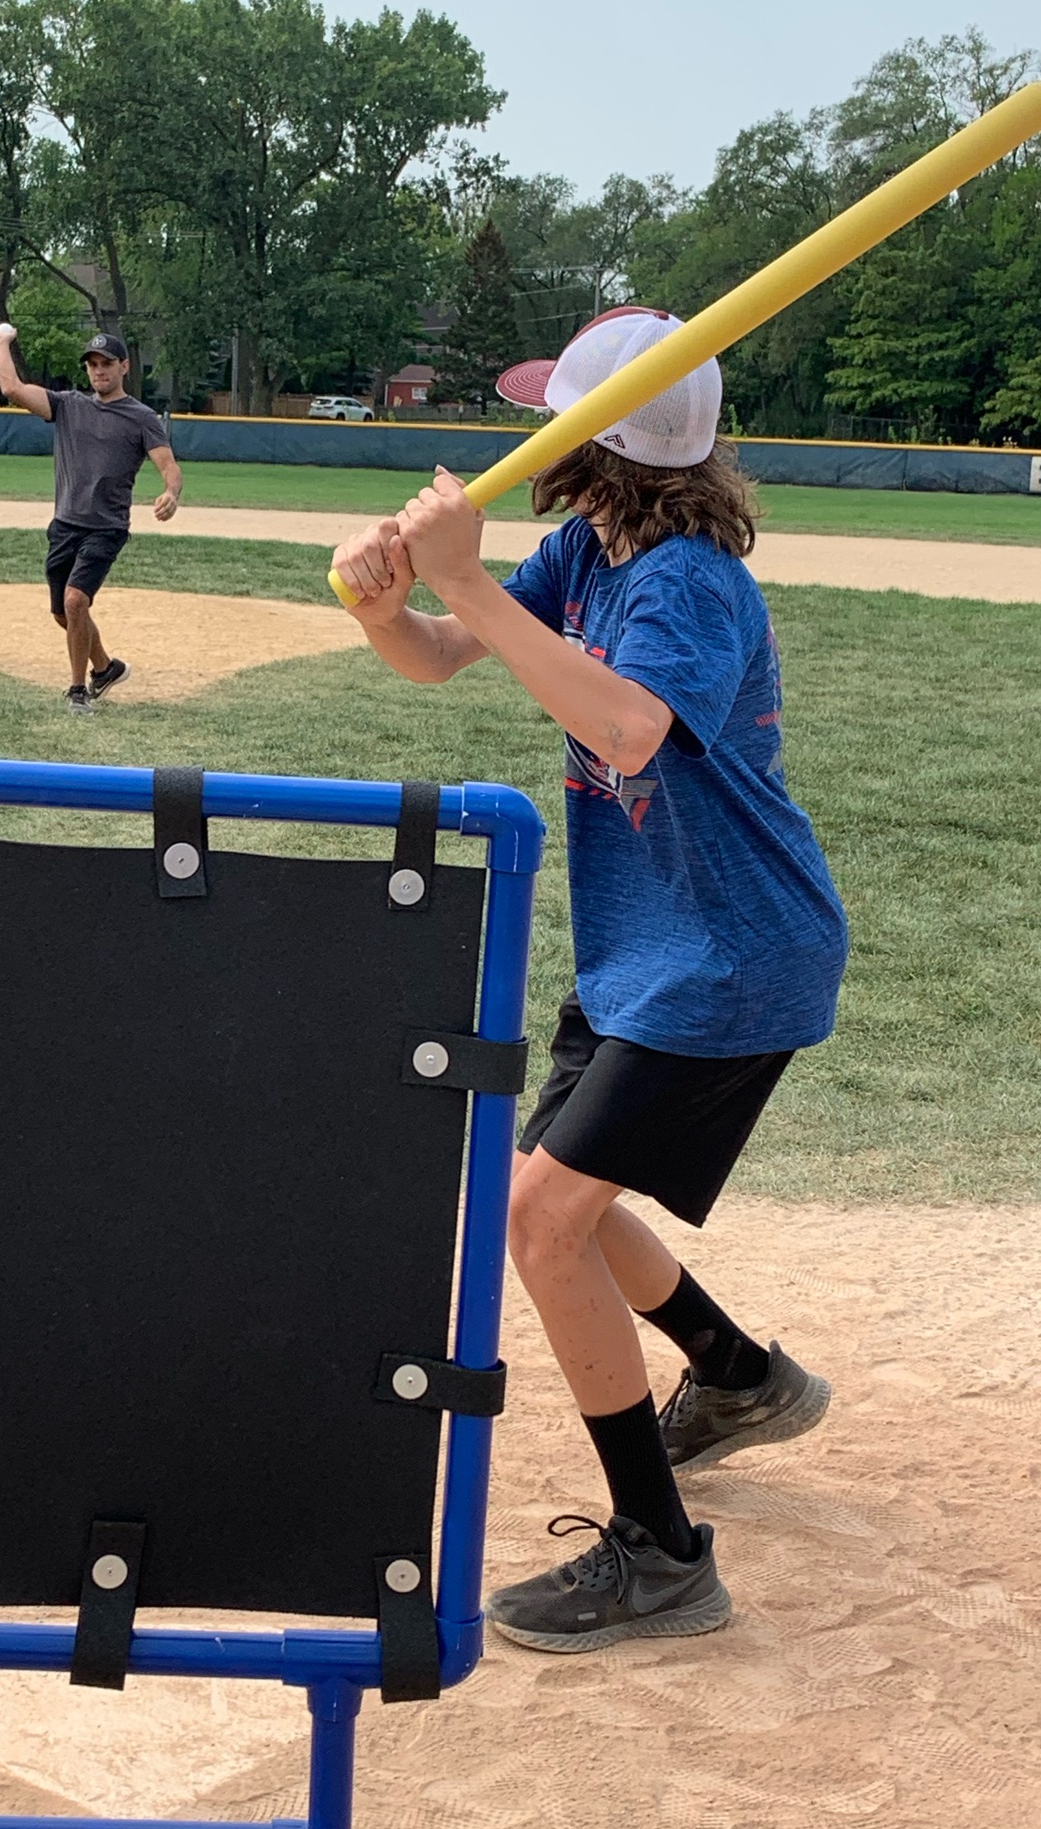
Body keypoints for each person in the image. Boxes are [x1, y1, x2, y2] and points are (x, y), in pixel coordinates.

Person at [330, 306, 847, 1653]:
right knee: (560, 1187)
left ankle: (663, 1553)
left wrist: (473, 584)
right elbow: (446, 658)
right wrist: (392, 604)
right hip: (648, 950)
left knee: (545, 1221)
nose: (531, 436)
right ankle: (736, 1375)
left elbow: (626, 725)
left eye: (550, 415)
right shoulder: (596, 548)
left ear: (596, 442)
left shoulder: (686, 581)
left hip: (733, 956)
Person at [0, 325, 184, 713]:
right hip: (64, 524)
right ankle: (106, 668)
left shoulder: (141, 418)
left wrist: (171, 493)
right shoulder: (67, 405)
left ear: (124, 367)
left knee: (76, 600)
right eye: (93, 364)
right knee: (64, 613)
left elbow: (169, 465)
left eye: (107, 363)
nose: (99, 371)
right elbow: (12, 388)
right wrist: (0, 342)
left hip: (106, 527)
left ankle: (78, 691)